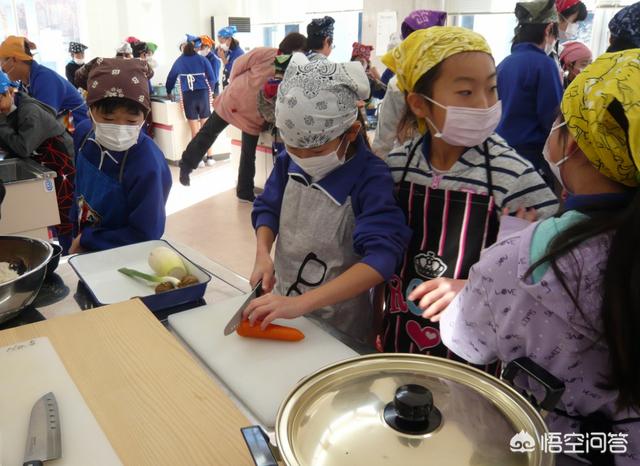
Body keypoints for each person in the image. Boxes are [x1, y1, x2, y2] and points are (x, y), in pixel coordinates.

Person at [439, 49, 640, 466]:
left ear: (579, 146)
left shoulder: (518, 261)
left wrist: (495, 269)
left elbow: (466, 340)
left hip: (554, 450)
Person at [379, 26, 558, 359]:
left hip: (474, 344)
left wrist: (475, 287)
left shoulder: (513, 175)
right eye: (465, 92)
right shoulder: (398, 165)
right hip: (400, 330)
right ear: (419, 104)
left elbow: (551, 268)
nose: (485, 104)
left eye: (492, 88)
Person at [244, 53, 411, 348]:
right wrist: (262, 253)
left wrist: (303, 303)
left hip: (341, 329)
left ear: (353, 132)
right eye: (295, 148)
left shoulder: (370, 179)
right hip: (284, 307)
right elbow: (267, 208)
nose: (303, 159)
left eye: (316, 150)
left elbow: (381, 259)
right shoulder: (288, 162)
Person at [179, 33, 307, 202]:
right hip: (233, 100)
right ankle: (186, 164)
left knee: (247, 153)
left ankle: (244, 190)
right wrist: (234, 85)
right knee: (208, 133)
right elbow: (238, 65)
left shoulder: (291, 68)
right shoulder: (265, 53)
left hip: (253, 115)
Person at [69, 58, 171, 254]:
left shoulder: (147, 163)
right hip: (82, 243)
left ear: (145, 116)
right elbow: (79, 188)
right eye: (108, 119)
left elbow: (146, 234)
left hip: (122, 256)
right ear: (90, 111)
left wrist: (89, 240)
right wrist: (75, 227)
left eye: (132, 120)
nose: (120, 128)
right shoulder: (84, 135)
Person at [0, 71, 76, 253]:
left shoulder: (30, 112)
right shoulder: (12, 110)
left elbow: (22, 147)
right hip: (43, 161)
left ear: (10, 91)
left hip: (60, 165)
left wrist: (0, 123)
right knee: (52, 213)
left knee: (63, 212)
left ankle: (69, 252)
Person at [496, 0, 563, 186]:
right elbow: (552, 119)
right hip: (530, 159)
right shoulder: (544, 65)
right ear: (549, 28)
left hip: (500, 152)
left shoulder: (504, 63)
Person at [372, 10, 447, 158]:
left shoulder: (398, 83)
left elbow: (383, 142)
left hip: (411, 161)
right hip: (418, 164)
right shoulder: (398, 84)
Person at [0, 36, 89, 132]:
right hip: (61, 129)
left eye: (2, 62)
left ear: (15, 60)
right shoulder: (25, 84)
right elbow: (22, 115)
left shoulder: (45, 79)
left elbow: (40, 124)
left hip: (76, 131)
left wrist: (10, 111)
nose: (2, 69)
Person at [166, 34, 216, 166]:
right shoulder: (202, 59)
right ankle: (210, 157)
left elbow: (171, 78)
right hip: (203, 94)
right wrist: (210, 89)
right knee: (206, 129)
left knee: (195, 131)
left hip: (189, 96)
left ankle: (199, 159)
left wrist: (168, 91)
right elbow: (212, 77)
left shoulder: (179, 61)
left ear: (182, 48)